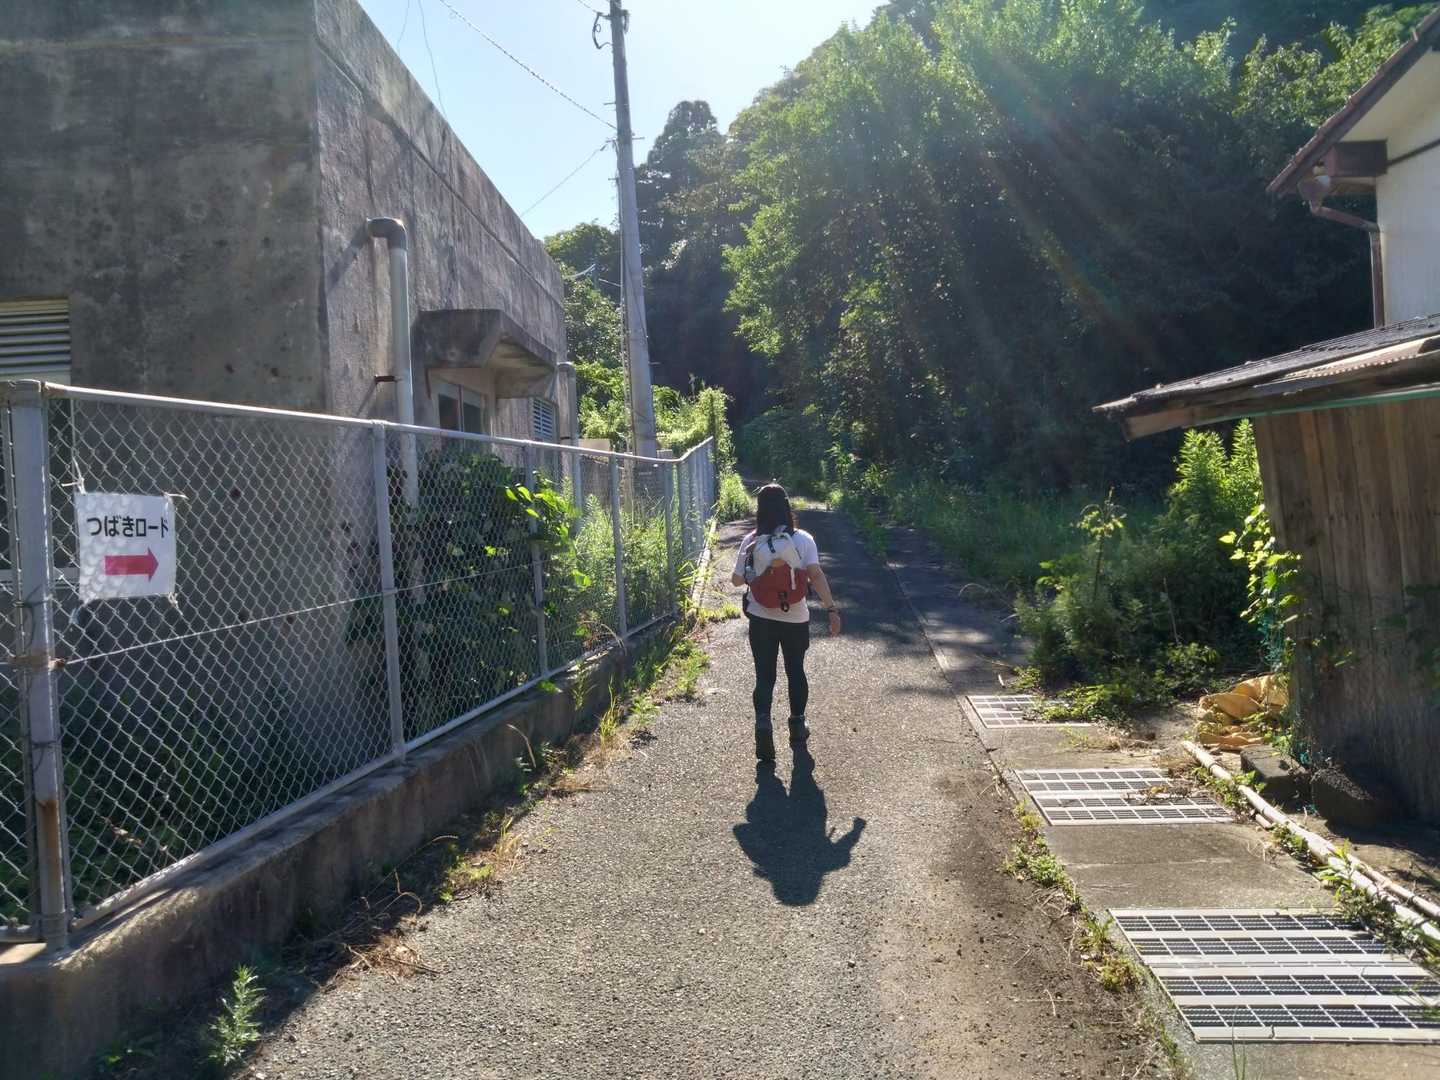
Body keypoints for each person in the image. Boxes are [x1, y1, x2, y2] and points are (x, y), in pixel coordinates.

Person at [730, 483, 841, 762]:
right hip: (796, 618)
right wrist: (831, 609)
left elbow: (737, 581)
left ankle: (763, 725)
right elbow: (816, 575)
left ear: (760, 509)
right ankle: (797, 727)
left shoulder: (752, 540)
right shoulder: (803, 539)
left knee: (764, 676)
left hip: (761, 618)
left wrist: (759, 566)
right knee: (796, 671)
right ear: (787, 507)